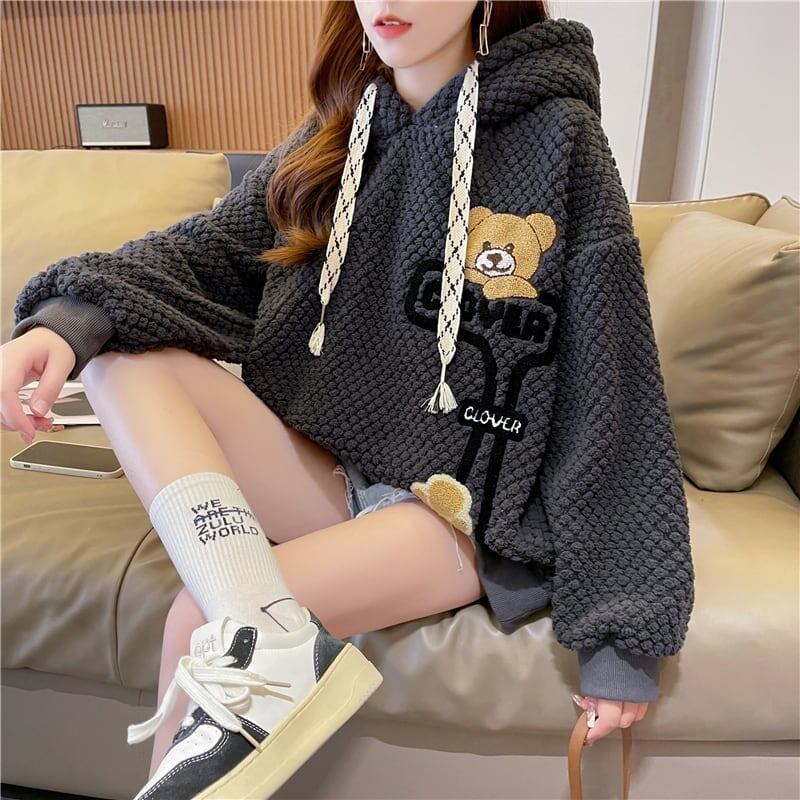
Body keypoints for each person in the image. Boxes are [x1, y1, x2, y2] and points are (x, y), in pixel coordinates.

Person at [2, 1, 695, 797]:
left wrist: (620, 640)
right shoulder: (337, 130)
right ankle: (262, 625)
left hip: (458, 511)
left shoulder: (558, 136)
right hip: (333, 473)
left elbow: (612, 381)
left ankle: (249, 630)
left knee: (197, 622)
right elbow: (204, 256)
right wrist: (63, 326)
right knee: (117, 353)